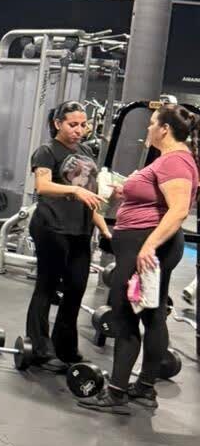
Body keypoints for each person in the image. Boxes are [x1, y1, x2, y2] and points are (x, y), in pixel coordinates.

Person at [78, 104, 199, 414]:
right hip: (144, 242)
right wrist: (126, 191)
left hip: (145, 245)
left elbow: (178, 210)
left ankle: (117, 392)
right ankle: (144, 388)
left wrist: (148, 246)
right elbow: (157, 200)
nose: (148, 128)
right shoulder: (171, 159)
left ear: (165, 129)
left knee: (125, 316)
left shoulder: (175, 161)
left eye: (152, 123)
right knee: (152, 315)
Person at [25, 102, 110, 371]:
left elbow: (90, 198)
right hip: (51, 227)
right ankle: (40, 348)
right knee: (47, 285)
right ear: (58, 123)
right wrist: (74, 191)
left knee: (76, 287)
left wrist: (104, 228)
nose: (78, 130)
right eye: (73, 124)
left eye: (83, 125)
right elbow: (42, 185)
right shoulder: (47, 151)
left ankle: (65, 347)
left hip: (80, 230)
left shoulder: (85, 152)